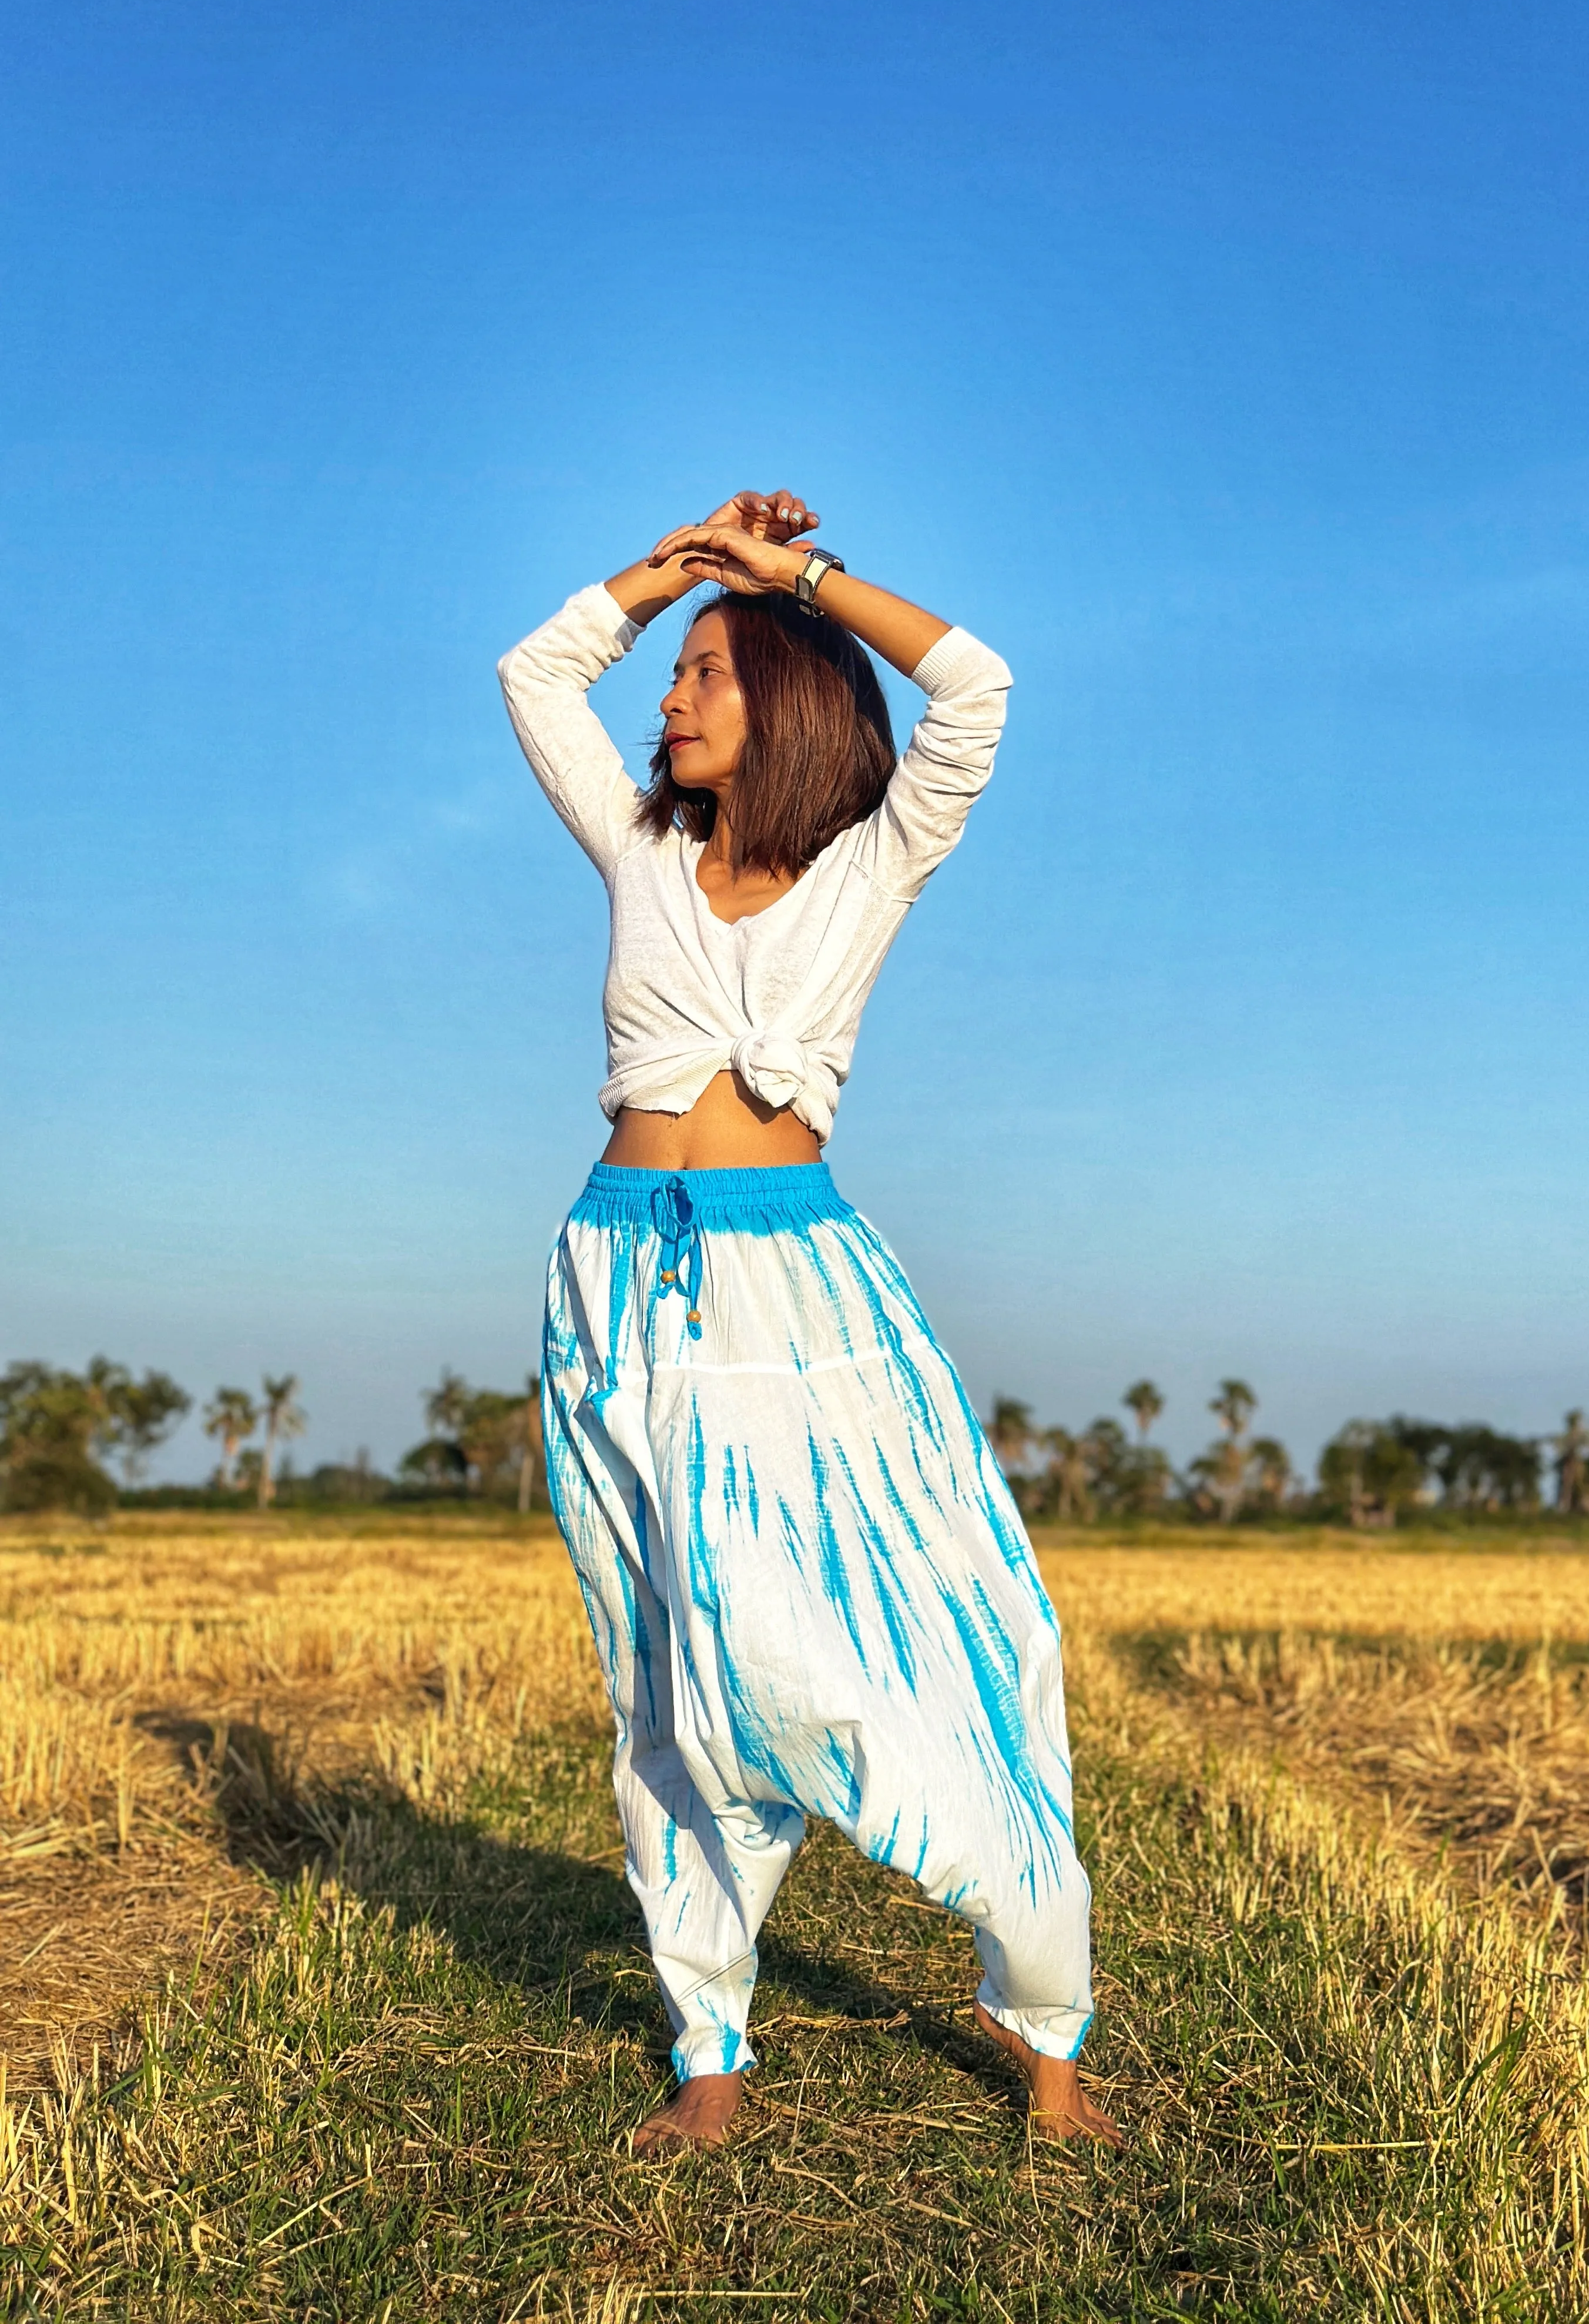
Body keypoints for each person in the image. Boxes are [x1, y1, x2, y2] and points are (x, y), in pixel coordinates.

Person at [498, 491, 1116, 2152]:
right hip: (622, 1285)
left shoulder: (870, 864)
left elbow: (976, 688)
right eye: (675, 672)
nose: (671, 697)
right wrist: (671, 568)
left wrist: (801, 580)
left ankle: (1046, 2031)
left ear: (790, 699)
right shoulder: (640, 854)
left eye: (707, 671)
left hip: (802, 1288)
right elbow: (536, 674)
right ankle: (711, 2049)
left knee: (952, 1636)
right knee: (676, 1669)